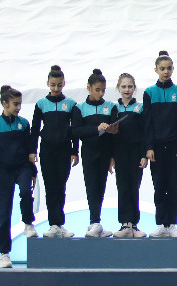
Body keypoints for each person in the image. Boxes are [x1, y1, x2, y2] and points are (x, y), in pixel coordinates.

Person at [0, 85, 37, 268]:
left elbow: (30, 149)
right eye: (15, 104)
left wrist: (33, 171)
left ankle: (28, 223)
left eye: (20, 104)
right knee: (4, 212)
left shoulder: (23, 123)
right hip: (5, 171)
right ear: (4, 103)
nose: (18, 107)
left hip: (22, 167)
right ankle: (4, 253)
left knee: (25, 192)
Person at [143, 51, 177, 237]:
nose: (166, 71)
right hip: (155, 148)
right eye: (162, 68)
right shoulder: (149, 92)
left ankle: (172, 224)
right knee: (159, 185)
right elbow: (146, 123)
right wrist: (148, 147)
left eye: (169, 68)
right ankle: (162, 223)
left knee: (172, 185)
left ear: (173, 69)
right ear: (156, 70)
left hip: (174, 147)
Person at [70, 69, 118, 238]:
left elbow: (115, 133)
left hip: (105, 152)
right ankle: (94, 222)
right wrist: (95, 129)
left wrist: (112, 155)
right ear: (89, 88)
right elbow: (75, 131)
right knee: (91, 186)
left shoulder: (111, 106)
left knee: (101, 186)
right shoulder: (79, 108)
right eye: (97, 90)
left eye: (103, 90)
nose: (100, 93)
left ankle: (97, 223)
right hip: (89, 151)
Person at [32, 65, 78, 238]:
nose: (56, 88)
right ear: (48, 84)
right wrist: (32, 151)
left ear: (64, 83)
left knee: (61, 186)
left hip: (64, 150)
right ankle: (53, 224)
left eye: (59, 85)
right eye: (53, 85)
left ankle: (60, 224)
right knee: (51, 187)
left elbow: (74, 130)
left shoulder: (71, 104)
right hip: (47, 150)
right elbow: (35, 129)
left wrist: (75, 151)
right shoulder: (41, 104)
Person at [112, 73, 147, 238]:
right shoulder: (113, 108)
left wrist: (144, 155)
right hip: (119, 153)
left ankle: (134, 224)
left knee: (134, 187)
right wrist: (111, 157)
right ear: (118, 88)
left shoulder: (140, 108)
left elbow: (144, 132)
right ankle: (125, 223)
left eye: (130, 86)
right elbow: (110, 135)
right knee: (123, 187)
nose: (127, 89)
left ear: (134, 88)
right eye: (124, 86)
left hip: (135, 153)